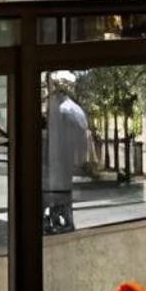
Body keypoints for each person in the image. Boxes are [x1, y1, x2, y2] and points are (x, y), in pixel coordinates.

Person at [44, 71, 93, 234]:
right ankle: (61, 220)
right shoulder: (74, 108)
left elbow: (59, 136)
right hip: (67, 159)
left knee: (58, 191)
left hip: (59, 158)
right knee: (62, 191)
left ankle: (61, 221)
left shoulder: (63, 110)